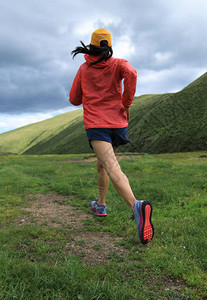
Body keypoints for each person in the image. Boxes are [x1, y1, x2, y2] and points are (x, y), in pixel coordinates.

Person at [69, 28, 154, 244]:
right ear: (108, 46)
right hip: (118, 125)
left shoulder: (84, 69)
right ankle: (101, 204)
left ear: (91, 45)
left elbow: (74, 99)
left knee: (112, 167)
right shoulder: (118, 64)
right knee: (102, 164)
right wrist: (126, 102)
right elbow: (132, 74)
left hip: (97, 125)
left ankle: (136, 206)